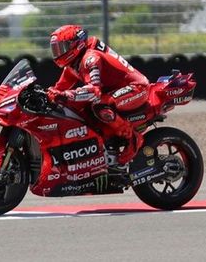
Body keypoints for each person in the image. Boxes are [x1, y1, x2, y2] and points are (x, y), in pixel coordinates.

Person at [46, 24, 150, 166]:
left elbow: (94, 90)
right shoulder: (72, 65)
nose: (58, 53)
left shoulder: (91, 58)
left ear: (76, 45)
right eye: (55, 49)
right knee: (81, 108)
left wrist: (66, 95)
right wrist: (46, 95)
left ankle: (132, 138)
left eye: (61, 48)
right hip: (115, 91)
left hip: (137, 88)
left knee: (100, 105)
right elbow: (59, 88)